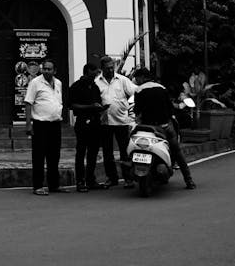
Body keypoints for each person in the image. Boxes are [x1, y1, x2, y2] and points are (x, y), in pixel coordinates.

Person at [133, 68, 196, 189]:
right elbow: (170, 107)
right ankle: (189, 180)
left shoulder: (139, 90)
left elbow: (137, 110)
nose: (136, 80)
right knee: (177, 151)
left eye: (137, 78)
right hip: (165, 126)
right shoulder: (162, 88)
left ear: (142, 77)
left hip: (147, 129)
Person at [24, 59, 67, 196]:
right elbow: (28, 103)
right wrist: (28, 124)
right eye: (45, 69)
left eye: (49, 69)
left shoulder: (58, 83)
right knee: (39, 156)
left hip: (55, 124)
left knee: (54, 156)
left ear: (55, 71)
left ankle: (54, 185)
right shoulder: (35, 82)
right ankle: (38, 186)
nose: (46, 71)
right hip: (40, 124)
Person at [97, 55, 137, 189]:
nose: (110, 70)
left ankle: (128, 178)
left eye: (111, 67)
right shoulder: (97, 82)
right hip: (105, 123)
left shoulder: (122, 80)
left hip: (122, 122)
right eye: (107, 68)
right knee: (107, 153)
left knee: (125, 152)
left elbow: (135, 92)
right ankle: (111, 178)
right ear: (102, 68)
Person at [68, 62, 107, 192]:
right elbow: (71, 105)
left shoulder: (95, 87)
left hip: (95, 123)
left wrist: (101, 109)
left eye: (96, 73)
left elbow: (98, 103)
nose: (96, 75)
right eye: (93, 72)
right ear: (86, 72)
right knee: (81, 152)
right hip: (82, 122)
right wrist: (90, 107)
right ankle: (80, 181)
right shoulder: (76, 86)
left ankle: (91, 180)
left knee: (93, 152)